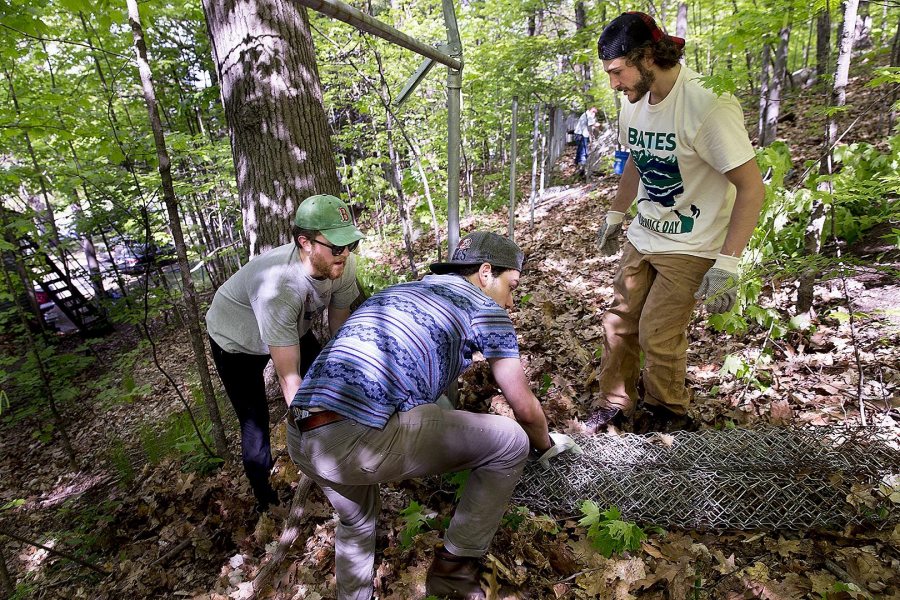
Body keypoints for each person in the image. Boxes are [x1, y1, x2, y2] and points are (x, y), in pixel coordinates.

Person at [286, 231, 581, 600]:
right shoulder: (486, 309)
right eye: (512, 286)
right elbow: (523, 406)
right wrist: (547, 445)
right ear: (486, 273)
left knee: (356, 520)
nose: (511, 300)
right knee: (510, 441)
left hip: (302, 435)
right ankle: (455, 571)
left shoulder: (399, 291)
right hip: (355, 437)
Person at [589, 12, 765, 431]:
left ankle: (668, 411)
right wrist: (617, 213)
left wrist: (728, 264)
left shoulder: (707, 104)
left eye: (617, 72)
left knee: (657, 333)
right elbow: (636, 156)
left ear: (648, 57)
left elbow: (751, 187)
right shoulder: (633, 105)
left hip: (692, 241)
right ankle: (615, 403)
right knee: (618, 321)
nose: (613, 84)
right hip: (645, 233)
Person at [205, 194, 364, 513]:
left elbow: (340, 325)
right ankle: (266, 501)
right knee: (255, 422)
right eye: (336, 246)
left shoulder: (341, 265)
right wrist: (318, 439)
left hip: (292, 327)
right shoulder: (279, 287)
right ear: (305, 242)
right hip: (236, 341)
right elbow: (289, 378)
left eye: (350, 245)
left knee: (324, 376)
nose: (345, 253)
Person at [573, 106, 599, 177]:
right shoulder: (588, 115)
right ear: (591, 109)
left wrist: (591, 135)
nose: (594, 113)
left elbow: (589, 127)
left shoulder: (586, 115)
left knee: (580, 150)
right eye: (594, 111)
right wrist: (598, 125)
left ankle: (578, 165)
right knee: (583, 151)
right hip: (581, 134)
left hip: (579, 134)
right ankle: (582, 168)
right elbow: (591, 125)